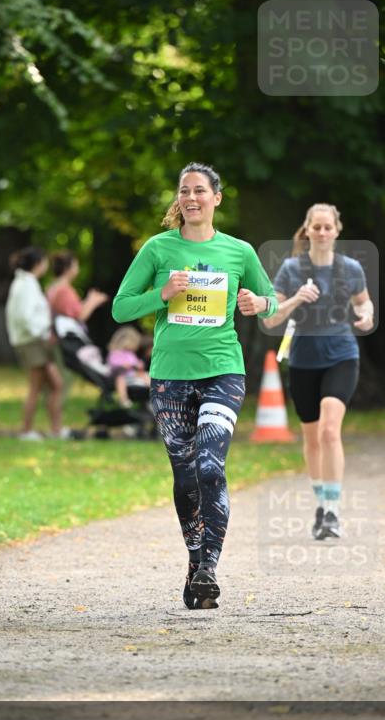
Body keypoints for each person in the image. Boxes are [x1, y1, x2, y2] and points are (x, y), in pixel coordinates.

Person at [113, 162, 278, 610]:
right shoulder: (157, 248)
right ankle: (195, 561)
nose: (191, 197)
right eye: (184, 190)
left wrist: (258, 301)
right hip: (169, 377)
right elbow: (120, 309)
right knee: (185, 476)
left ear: (216, 198)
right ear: (178, 199)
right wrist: (162, 295)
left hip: (223, 370)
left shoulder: (239, 251)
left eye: (200, 190)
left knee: (209, 466)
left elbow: (273, 304)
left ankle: (209, 568)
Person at [263, 204, 374, 540]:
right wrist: (296, 298)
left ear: (337, 230)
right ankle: (320, 504)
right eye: (317, 227)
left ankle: (333, 512)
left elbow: (363, 302)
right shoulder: (291, 269)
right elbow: (270, 318)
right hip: (303, 360)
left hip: (342, 355)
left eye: (328, 227)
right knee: (311, 439)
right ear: (307, 230)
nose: (323, 233)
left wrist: (366, 315)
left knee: (329, 430)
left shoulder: (351, 268)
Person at [6, 247, 68, 440]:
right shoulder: (24, 285)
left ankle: (56, 429)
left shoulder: (28, 283)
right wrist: (42, 332)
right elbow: (25, 316)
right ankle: (26, 431)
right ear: (37, 264)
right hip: (31, 342)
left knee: (56, 385)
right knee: (36, 386)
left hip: (35, 341)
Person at [46, 251, 108, 322]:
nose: (78, 269)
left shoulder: (52, 287)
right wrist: (93, 301)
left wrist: (89, 299)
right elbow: (80, 316)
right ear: (67, 269)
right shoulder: (64, 290)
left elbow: (75, 309)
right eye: (76, 265)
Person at [107, 326, 151, 407]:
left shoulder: (130, 354)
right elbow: (113, 364)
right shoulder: (115, 353)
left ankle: (153, 392)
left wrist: (139, 365)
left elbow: (137, 363)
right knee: (120, 379)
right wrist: (123, 365)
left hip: (132, 375)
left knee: (146, 375)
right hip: (121, 376)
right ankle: (123, 399)